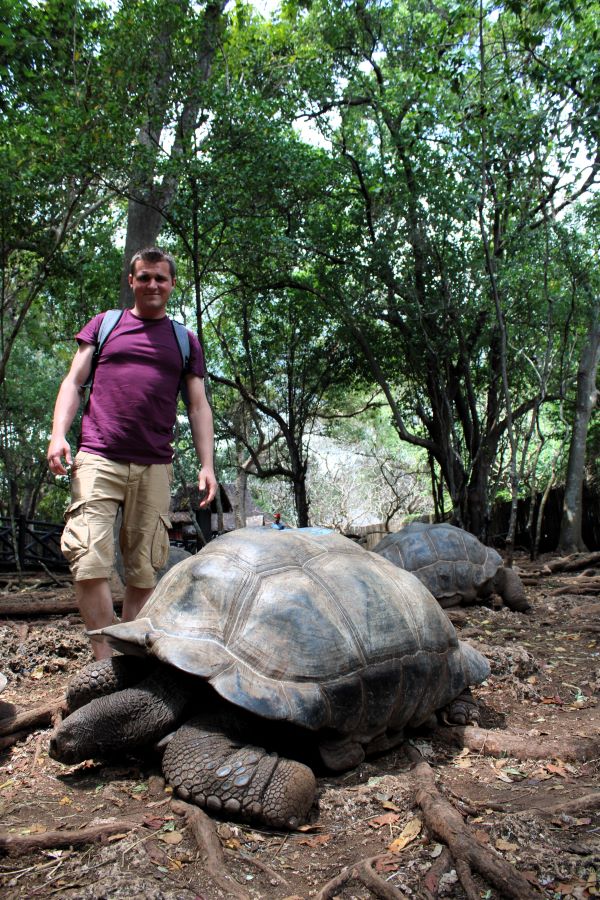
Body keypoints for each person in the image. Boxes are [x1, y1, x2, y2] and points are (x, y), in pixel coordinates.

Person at [47, 247, 217, 659]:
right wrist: (58, 434)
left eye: (160, 277)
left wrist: (207, 465)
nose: (152, 284)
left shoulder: (184, 340)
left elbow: (198, 406)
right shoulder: (105, 326)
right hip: (98, 457)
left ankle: (127, 660)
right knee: (88, 559)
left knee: (144, 569)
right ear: (132, 282)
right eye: (144, 277)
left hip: (155, 465)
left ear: (172, 284)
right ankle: (104, 663)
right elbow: (74, 381)